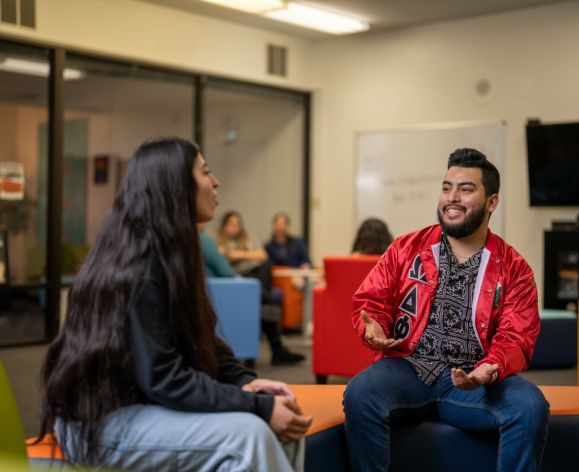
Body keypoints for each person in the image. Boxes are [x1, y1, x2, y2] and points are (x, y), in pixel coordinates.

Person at [37, 138, 312, 471]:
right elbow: (164, 378)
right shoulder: (138, 264)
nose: (215, 182)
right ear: (175, 185)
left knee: (285, 423)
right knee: (250, 433)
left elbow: (206, 340)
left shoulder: (177, 252)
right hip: (98, 421)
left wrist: (245, 382)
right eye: (205, 172)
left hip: (145, 404)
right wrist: (256, 408)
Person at [343, 148, 549, 471]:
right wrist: (373, 327)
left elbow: (517, 336)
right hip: (408, 368)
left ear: (492, 202)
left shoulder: (514, 269)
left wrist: (491, 367)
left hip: (472, 380)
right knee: (359, 394)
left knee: (530, 406)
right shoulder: (405, 248)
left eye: (466, 189)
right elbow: (371, 301)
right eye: (446, 187)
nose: (452, 197)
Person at [216, 210, 305, 366]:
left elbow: (262, 256)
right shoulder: (216, 240)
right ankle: (278, 350)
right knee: (267, 300)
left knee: (265, 266)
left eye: (237, 224)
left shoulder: (248, 237)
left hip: (254, 278)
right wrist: (246, 254)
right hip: (236, 281)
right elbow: (224, 263)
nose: (234, 227)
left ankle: (263, 296)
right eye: (231, 223)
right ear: (224, 226)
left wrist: (236, 254)